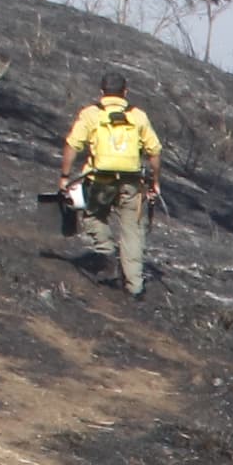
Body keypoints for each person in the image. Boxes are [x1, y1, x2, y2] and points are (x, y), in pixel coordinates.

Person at [61, 73, 166, 297]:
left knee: (91, 215)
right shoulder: (138, 116)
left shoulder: (91, 115)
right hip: (132, 183)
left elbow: (72, 145)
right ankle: (135, 287)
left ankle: (106, 251)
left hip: (99, 180)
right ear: (125, 92)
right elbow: (154, 151)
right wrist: (155, 181)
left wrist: (64, 176)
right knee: (133, 232)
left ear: (101, 92)